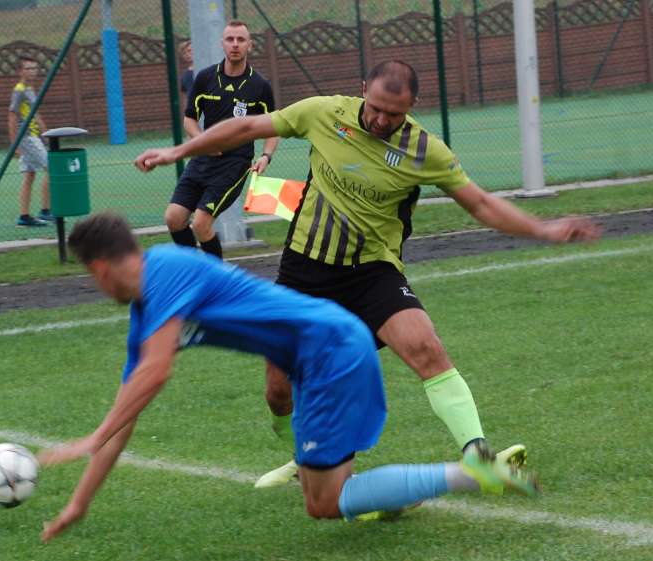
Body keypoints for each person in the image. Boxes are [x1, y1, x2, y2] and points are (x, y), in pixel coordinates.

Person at [135, 60, 602, 488]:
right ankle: (306, 457)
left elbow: (479, 203)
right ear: (363, 92)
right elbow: (248, 126)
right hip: (304, 271)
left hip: (371, 272)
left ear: (411, 108)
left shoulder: (425, 150)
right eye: (376, 108)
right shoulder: (323, 113)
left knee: (426, 347)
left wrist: (544, 228)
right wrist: (180, 152)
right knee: (278, 391)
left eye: (394, 114)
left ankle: (477, 452)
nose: (382, 121)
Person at [37, 212, 538, 542]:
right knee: (330, 493)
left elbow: (157, 372)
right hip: (325, 351)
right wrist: (78, 503)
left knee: (324, 503)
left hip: (326, 351)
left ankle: (472, 474)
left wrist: (93, 434)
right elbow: (132, 405)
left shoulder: (166, 268)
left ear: (100, 268)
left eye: (90, 277)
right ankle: (404, 494)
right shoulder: (148, 314)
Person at [165, 20, 279, 259]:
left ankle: (216, 281)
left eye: (240, 40)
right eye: (230, 39)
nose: (235, 45)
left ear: (250, 45)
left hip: (234, 164)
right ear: (222, 44)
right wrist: (203, 141)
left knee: (201, 224)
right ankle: (196, 271)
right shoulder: (205, 78)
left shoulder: (260, 86)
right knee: (173, 218)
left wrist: (266, 156)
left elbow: (273, 128)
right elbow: (189, 120)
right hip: (202, 160)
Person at [9, 56, 53, 227]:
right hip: (26, 137)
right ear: (20, 71)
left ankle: (24, 216)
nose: (32, 71)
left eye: (34, 68)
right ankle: (45, 211)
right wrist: (15, 143)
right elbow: (12, 116)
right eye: (28, 68)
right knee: (52, 168)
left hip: (34, 136)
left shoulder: (30, 89)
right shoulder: (19, 90)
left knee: (30, 174)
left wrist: (45, 133)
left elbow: (35, 113)